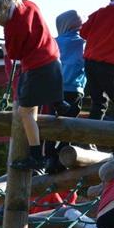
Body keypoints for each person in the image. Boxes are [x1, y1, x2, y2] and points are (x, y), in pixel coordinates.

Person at [0, 0, 67, 172]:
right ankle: (59, 103)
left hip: (37, 66)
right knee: (40, 105)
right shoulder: (29, 5)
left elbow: (15, 54)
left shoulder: (12, 27)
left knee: (25, 112)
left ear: (3, 8)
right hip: (53, 60)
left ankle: (35, 155)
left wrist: (5, 50)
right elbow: (23, 0)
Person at [46, 10, 87, 173]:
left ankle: (50, 157)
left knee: (52, 122)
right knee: (70, 125)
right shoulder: (83, 42)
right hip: (75, 89)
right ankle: (61, 157)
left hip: (55, 89)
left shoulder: (53, 42)